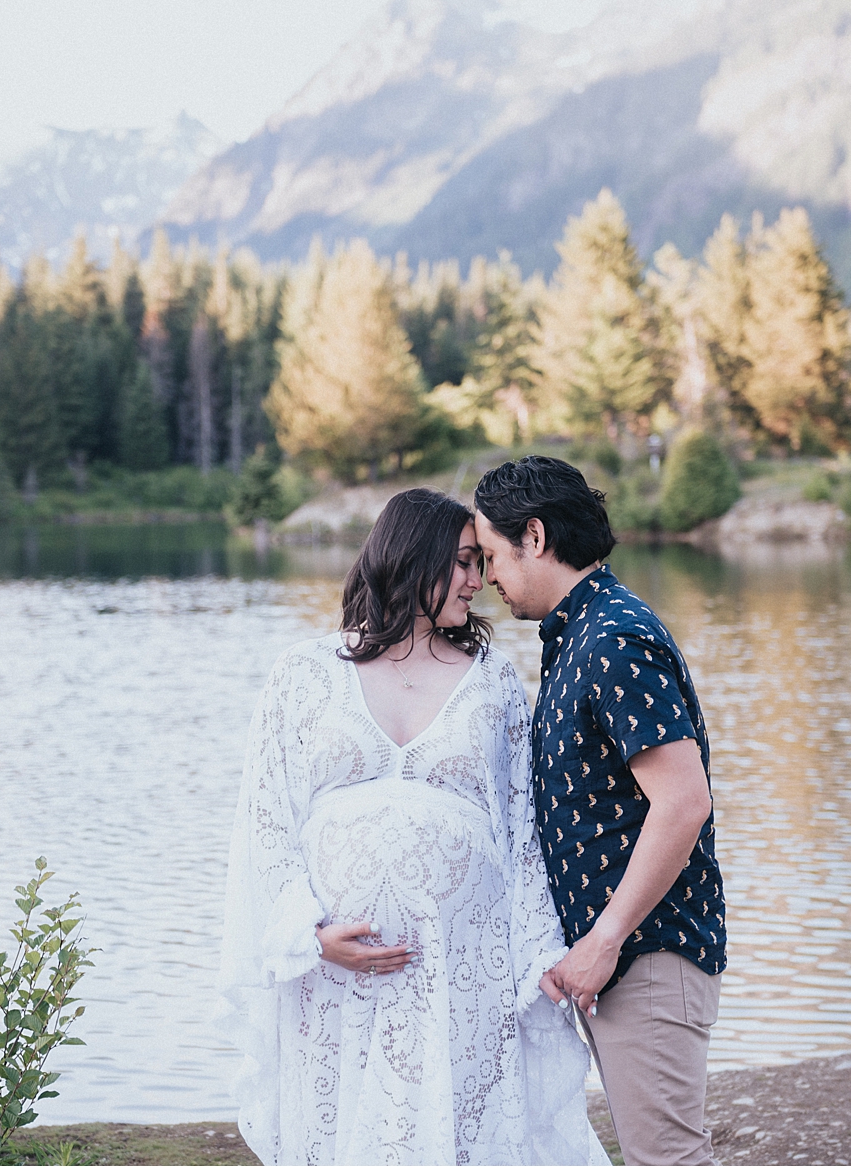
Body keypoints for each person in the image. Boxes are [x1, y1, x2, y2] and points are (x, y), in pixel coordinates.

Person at [219, 487, 608, 1166]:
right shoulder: (303, 675)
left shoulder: (494, 682)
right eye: (461, 562)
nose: (477, 580)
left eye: (480, 562)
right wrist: (308, 935)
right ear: (411, 558)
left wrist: (543, 950)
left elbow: (523, 837)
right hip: (334, 974)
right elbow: (266, 823)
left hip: (462, 969)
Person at [472, 456, 727, 1166]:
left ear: (535, 535)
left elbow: (683, 801)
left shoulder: (612, 638)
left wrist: (605, 939)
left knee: (668, 1162)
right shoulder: (578, 634)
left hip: (649, 953)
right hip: (623, 959)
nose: (488, 577)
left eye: (491, 555)